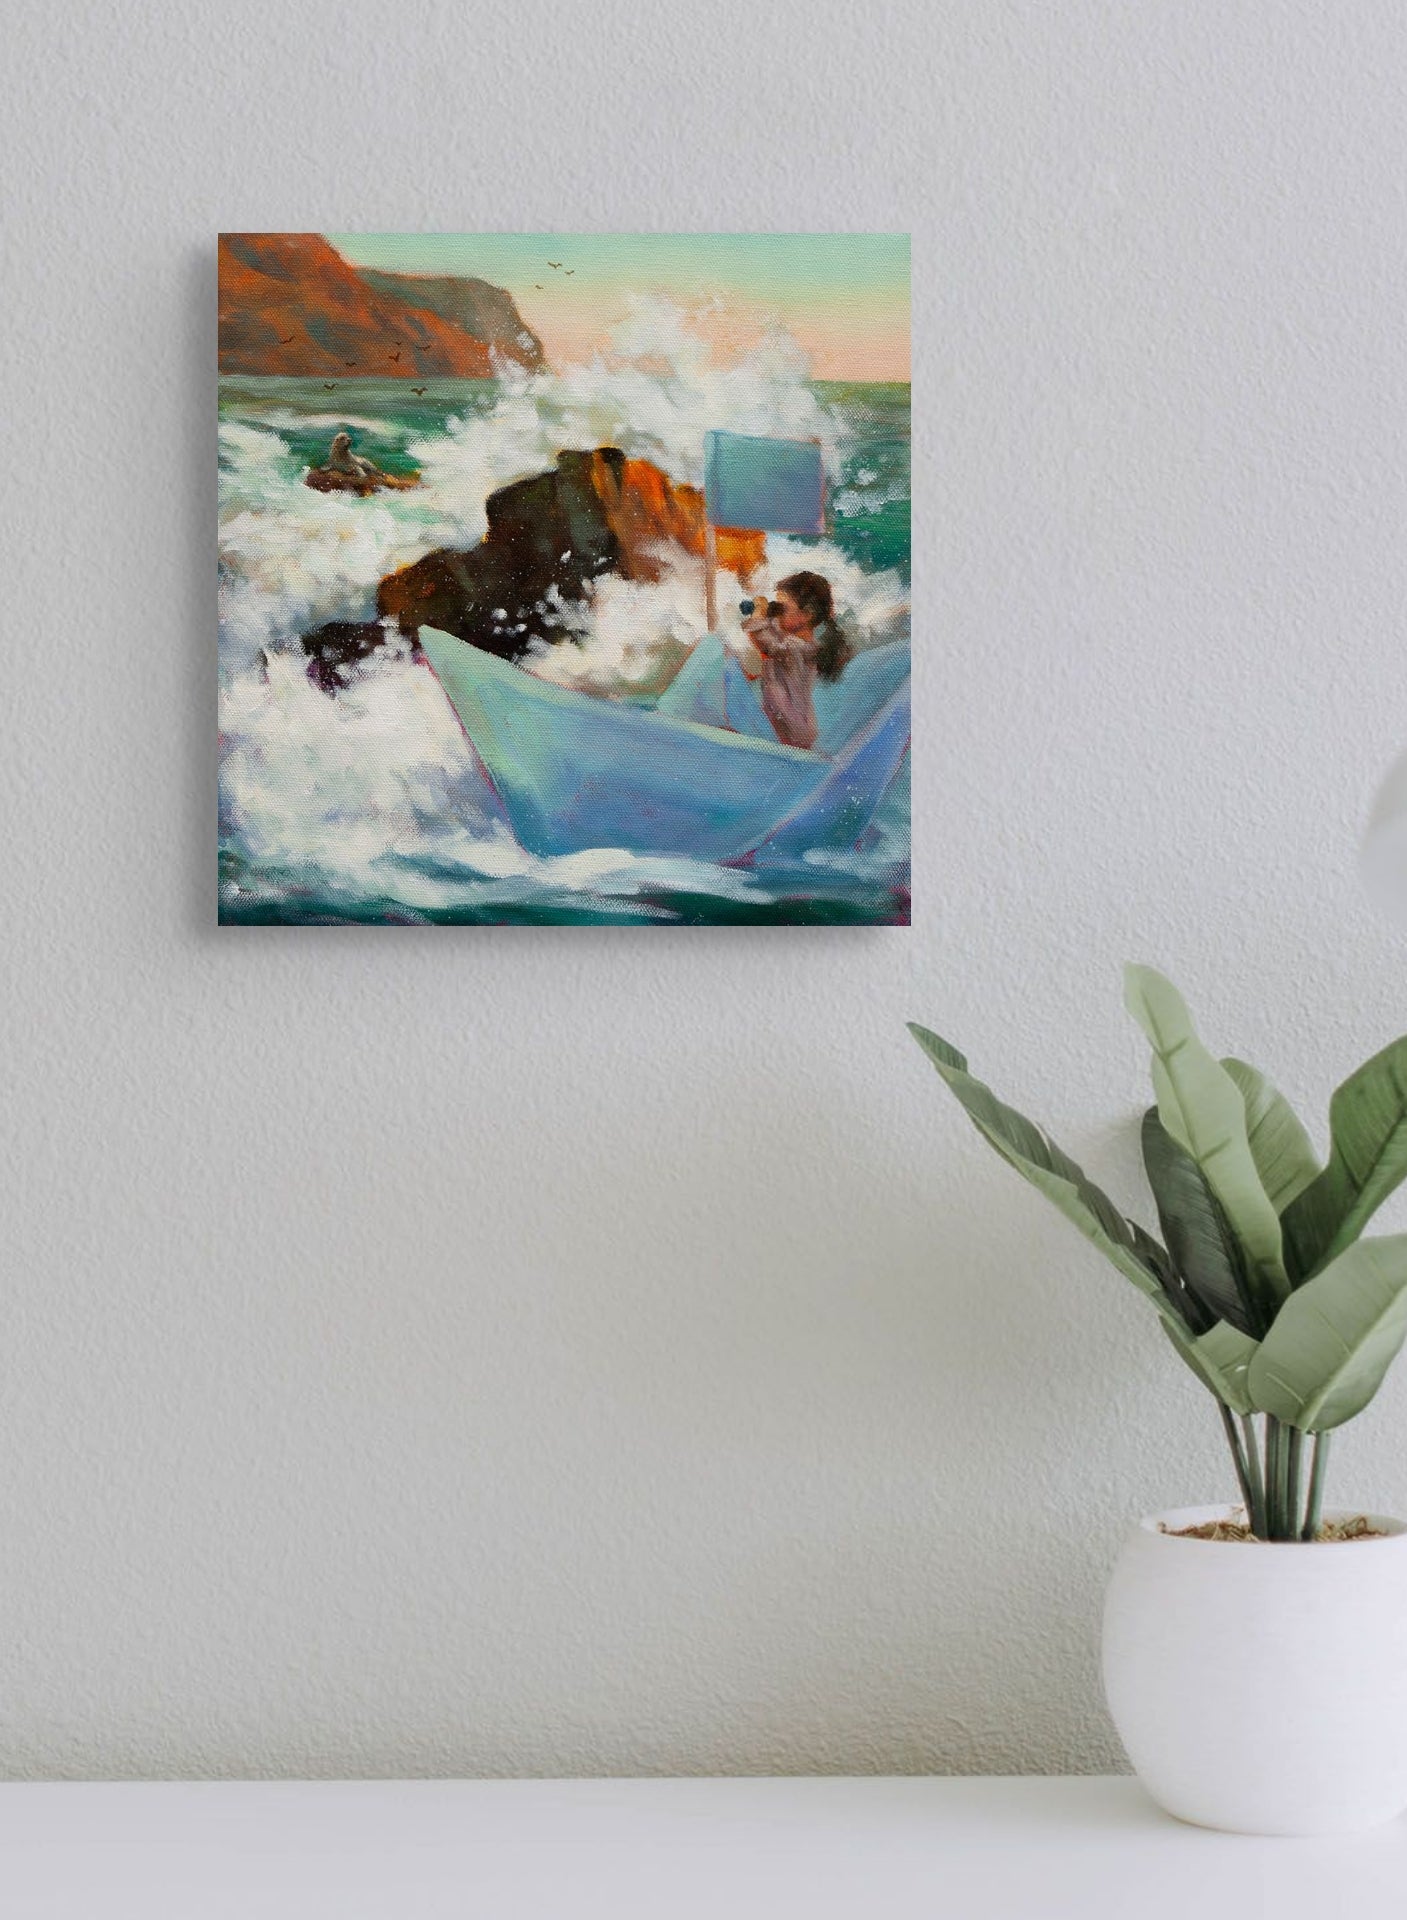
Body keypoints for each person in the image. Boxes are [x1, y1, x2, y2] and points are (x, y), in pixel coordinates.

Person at [742, 571, 851, 751]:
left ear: (806, 615)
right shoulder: (792, 642)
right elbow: (773, 634)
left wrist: (758, 616)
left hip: (793, 729)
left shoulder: (798, 649)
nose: (777, 613)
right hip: (785, 724)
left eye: (783, 608)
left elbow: (764, 641)